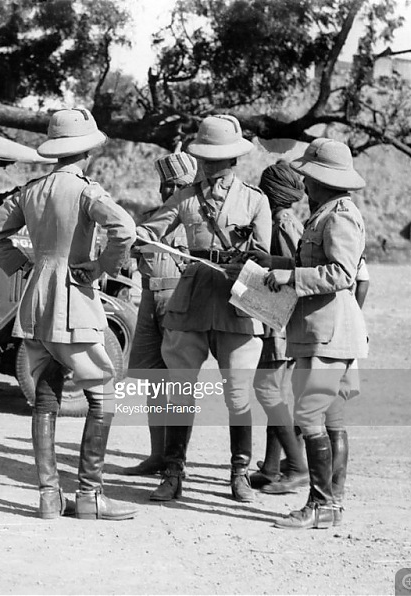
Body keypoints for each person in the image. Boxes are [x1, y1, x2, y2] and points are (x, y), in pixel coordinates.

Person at [0, 108, 137, 521]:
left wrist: (26, 265)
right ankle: (90, 495)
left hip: (35, 306)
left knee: (45, 398)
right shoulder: (87, 192)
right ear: (86, 151)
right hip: (75, 305)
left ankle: (49, 497)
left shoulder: (30, 191)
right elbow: (125, 229)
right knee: (103, 396)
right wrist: (103, 266)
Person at [136, 114, 271, 503]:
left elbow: (266, 257)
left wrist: (244, 262)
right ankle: (173, 473)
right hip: (191, 301)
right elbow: (152, 229)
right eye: (206, 157)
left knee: (238, 395)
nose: (212, 165)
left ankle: (239, 473)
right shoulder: (185, 197)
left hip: (238, 304)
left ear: (234, 160)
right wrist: (139, 238)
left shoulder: (255, 200)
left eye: (219, 158)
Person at [261, 138, 368, 530]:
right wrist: (274, 262)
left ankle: (321, 504)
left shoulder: (339, 216)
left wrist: (291, 276)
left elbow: (341, 273)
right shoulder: (326, 213)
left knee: (309, 413)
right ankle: (331, 505)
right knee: (332, 417)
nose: (304, 183)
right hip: (320, 328)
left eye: (309, 176)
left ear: (321, 179)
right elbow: (314, 262)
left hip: (329, 330)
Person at [121, 152, 196, 477]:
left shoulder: (198, 221)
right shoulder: (152, 219)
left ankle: (175, 460)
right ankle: (156, 454)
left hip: (181, 300)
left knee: (180, 383)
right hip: (150, 299)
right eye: (166, 185)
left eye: (177, 185)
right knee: (154, 382)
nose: (170, 192)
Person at [249, 162, 309, 494]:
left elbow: (298, 269)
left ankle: (297, 466)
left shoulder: (283, 223)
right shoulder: (276, 221)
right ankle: (271, 468)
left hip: (279, 317)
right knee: (273, 390)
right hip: (274, 315)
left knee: (267, 389)